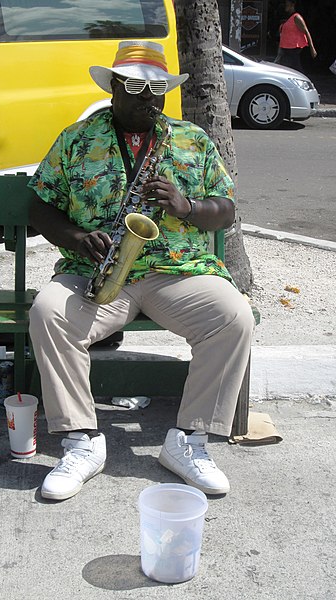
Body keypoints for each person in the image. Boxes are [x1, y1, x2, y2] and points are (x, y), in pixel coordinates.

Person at [28, 40, 254, 501]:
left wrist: (186, 205)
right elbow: (38, 205)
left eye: (158, 89)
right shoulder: (77, 138)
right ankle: (81, 441)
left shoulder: (192, 140)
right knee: (49, 312)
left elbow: (226, 209)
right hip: (97, 272)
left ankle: (188, 441)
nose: (149, 98)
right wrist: (75, 238)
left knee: (234, 317)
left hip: (178, 271)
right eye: (136, 87)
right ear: (113, 88)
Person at [276, 0, 317, 72]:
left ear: (293, 4)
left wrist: (312, 49)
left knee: (293, 69)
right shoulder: (287, 17)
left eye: (287, 3)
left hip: (293, 48)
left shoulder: (297, 17)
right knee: (289, 69)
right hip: (285, 48)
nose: (285, 5)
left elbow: (306, 32)